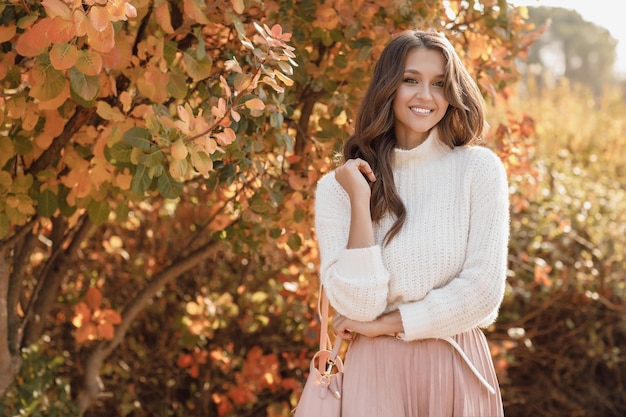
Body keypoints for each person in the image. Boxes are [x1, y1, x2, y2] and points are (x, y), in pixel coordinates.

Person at [313, 29, 509, 416]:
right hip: (375, 373)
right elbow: (359, 304)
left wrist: (391, 324)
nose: (426, 96)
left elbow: (483, 292)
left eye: (439, 83)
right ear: (388, 87)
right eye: (410, 80)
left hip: (456, 365)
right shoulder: (339, 189)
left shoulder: (478, 170)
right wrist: (359, 200)